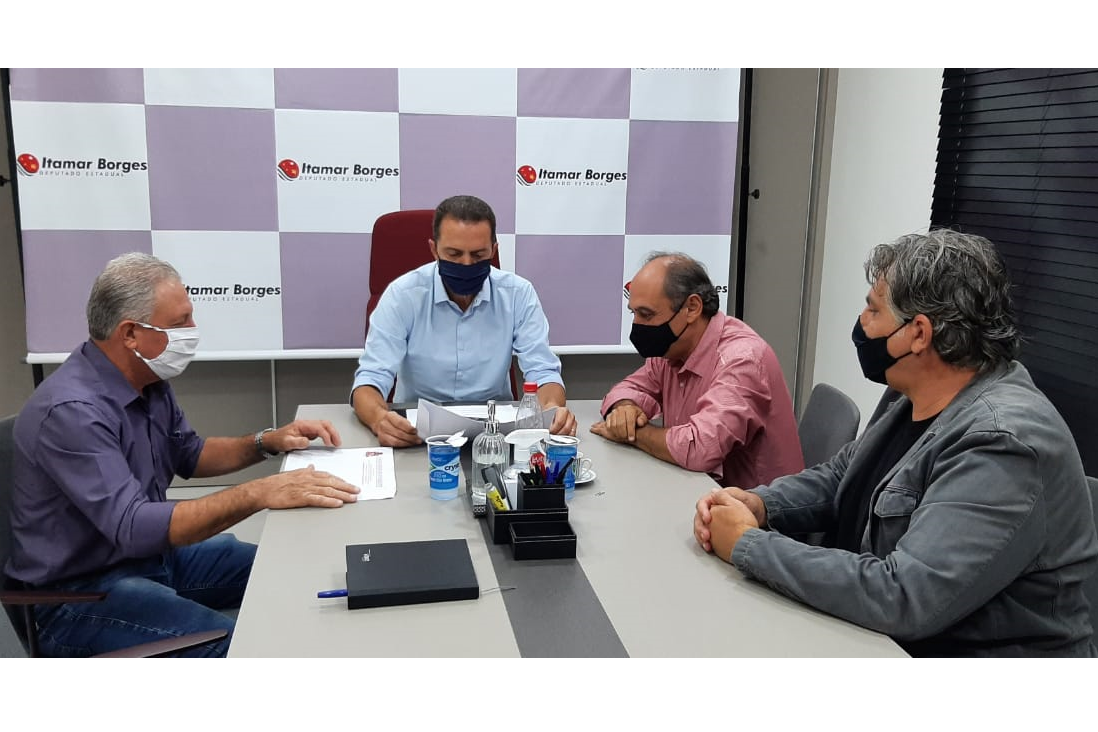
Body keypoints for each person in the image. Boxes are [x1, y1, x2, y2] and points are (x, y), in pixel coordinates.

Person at [693, 229, 1098, 657]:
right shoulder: (911, 394)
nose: (861, 322)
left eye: (873, 309)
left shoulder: (1004, 443)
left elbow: (906, 595)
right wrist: (761, 506)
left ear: (919, 334)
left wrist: (748, 545)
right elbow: (840, 476)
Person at [4, 253, 360, 657]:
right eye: (179, 323)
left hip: (149, 561)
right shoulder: (72, 412)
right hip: (77, 598)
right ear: (130, 334)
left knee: (294, 574)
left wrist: (267, 441)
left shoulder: (147, 379)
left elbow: (189, 454)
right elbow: (135, 527)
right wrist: (258, 493)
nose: (192, 331)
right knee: (247, 649)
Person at [352, 194, 577, 447]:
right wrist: (379, 419)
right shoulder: (403, 295)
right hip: (418, 434)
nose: (466, 264)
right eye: (454, 254)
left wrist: (552, 409)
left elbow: (543, 370)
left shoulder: (517, 294)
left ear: (494, 251)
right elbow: (370, 379)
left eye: (478, 255)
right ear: (434, 249)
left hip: (497, 434)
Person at [591, 252, 803, 488]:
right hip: (698, 493)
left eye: (646, 314)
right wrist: (626, 409)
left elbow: (700, 449)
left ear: (692, 308)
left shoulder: (742, 360)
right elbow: (628, 388)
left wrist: (634, 435)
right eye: (634, 313)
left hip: (757, 513)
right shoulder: (672, 350)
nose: (637, 325)